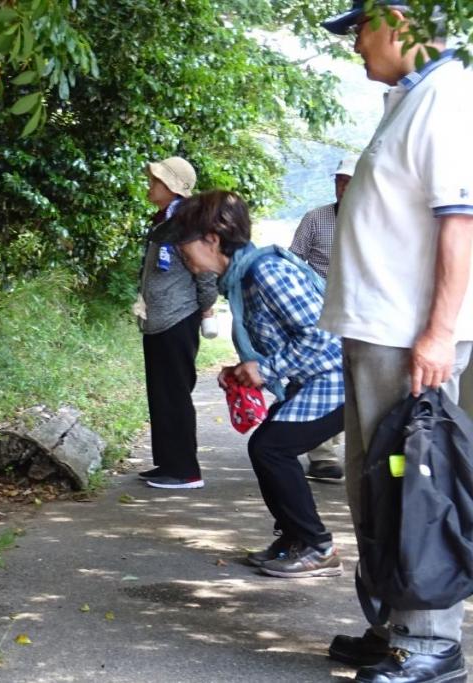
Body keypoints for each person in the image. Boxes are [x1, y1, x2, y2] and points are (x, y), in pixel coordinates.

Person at [319, 2, 473, 681]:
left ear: (397, 21)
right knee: (374, 488)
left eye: (359, 26)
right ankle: (391, 623)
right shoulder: (410, 99)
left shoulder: (446, 96)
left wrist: (439, 334)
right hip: (378, 333)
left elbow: (459, 226)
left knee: (416, 488)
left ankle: (429, 639)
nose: (353, 42)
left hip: (409, 340)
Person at [152, 190, 344, 578]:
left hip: (338, 380)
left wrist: (266, 369)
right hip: (317, 378)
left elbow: (324, 335)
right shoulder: (242, 277)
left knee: (272, 448)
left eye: (183, 243)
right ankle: (294, 538)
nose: (180, 253)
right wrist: (247, 368)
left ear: (212, 239)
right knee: (268, 447)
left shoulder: (265, 272)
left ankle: (316, 546)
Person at [135, 156, 218, 489]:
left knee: (175, 394)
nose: (151, 186)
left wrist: (207, 309)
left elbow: (205, 272)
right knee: (162, 393)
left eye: (156, 181)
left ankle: (185, 471)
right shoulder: (167, 219)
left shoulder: (188, 223)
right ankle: (168, 463)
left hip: (177, 319)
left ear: (172, 188)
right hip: (159, 320)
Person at [288, 156, 358, 481]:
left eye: (349, 180)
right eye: (339, 180)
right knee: (316, 376)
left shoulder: (372, 219)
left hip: (358, 314)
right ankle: (322, 454)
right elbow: (292, 262)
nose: (342, 186)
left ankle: (336, 444)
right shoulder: (316, 219)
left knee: (348, 380)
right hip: (317, 313)